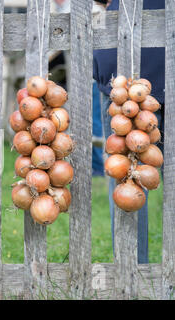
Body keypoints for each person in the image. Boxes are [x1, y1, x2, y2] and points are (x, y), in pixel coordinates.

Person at [93, 0, 165, 264]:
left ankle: (132, 272)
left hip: (121, 64)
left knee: (126, 176)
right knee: (127, 174)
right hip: (131, 73)